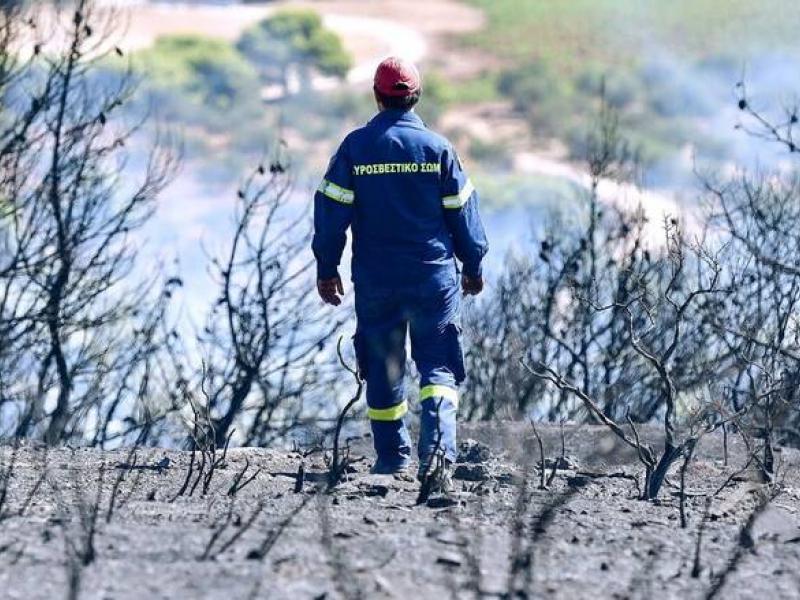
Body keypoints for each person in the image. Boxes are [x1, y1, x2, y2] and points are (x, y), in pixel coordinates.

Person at [312, 56, 488, 491]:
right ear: (416, 96)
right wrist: (473, 265)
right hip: (433, 279)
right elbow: (463, 215)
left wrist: (327, 268)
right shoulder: (438, 149)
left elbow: (331, 215)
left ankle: (392, 459)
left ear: (376, 96)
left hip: (377, 280)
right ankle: (438, 455)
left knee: (383, 365)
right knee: (438, 366)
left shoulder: (355, 148)